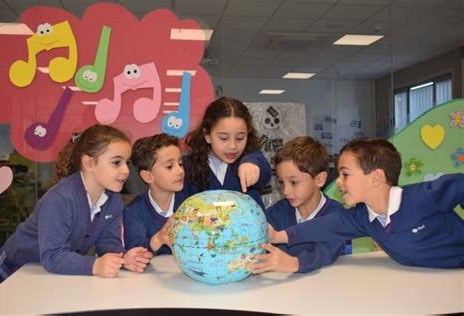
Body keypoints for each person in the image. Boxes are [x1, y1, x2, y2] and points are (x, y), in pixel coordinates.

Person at [0, 125, 151, 290]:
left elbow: (108, 243)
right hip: (16, 268)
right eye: (116, 162)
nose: (125, 170)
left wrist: (124, 257)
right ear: (89, 163)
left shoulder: (113, 201)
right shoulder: (60, 199)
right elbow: (53, 256)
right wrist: (95, 265)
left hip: (49, 273)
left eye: (127, 162)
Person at [268, 137, 464, 268]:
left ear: (376, 178)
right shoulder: (362, 217)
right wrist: (278, 236)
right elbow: (324, 227)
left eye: (345, 174)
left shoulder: (422, 197)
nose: (338, 181)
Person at [252, 136, 345, 274]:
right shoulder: (276, 213)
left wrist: (294, 263)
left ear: (319, 179)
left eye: (294, 182)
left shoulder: (336, 215)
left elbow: (324, 253)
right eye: (282, 182)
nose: (285, 191)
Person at [183, 96, 271, 210]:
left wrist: (252, 163)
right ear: (207, 135)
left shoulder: (251, 158)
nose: (232, 146)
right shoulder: (188, 166)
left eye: (240, 138)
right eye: (224, 138)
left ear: (248, 134)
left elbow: (264, 171)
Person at [123, 133, 188, 255]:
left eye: (180, 164)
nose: (180, 171)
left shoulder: (190, 205)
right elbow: (134, 252)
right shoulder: (133, 211)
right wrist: (158, 239)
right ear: (147, 176)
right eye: (169, 166)